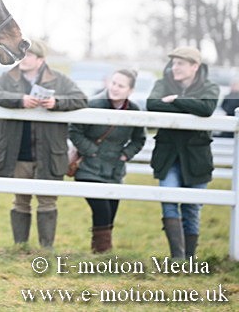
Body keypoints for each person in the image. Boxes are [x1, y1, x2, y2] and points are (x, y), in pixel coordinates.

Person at [0, 39, 87, 249]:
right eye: (22, 54)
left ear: (41, 60)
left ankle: (46, 249)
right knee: (20, 201)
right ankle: (20, 247)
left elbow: (81, 99)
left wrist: (57, 103)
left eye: (29, 55)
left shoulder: (59, 80)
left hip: (49, 154)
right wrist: (19, 100)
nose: (24, 58)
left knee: (48, 201)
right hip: (18, 153)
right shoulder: (7, 77)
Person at [146, 46, 219, 259]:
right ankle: (177, 259)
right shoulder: (162, 83)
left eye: (180, 63)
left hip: (196, 159)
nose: (174, 67)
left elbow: (207, 108)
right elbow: (153, 105)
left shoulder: (210, 87)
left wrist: (176, 100)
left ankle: (189, 259)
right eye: (173, 63)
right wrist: (189, 107)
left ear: (194, 67)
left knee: (192, 209)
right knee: (168, 202)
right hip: (168, 157)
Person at [69, 69, 146, 253]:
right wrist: (92, 151)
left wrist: (125, 155)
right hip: (89, 167)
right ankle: (104, 253)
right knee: (101, 209)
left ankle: (99, 252)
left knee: (111, 212)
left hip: (115, 169)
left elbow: (139, 139)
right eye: (114, 83)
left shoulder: (134, 110)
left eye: (121, 85)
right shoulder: (93, 103)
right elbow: (74, 130)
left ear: (130, 90)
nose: (115, 88)